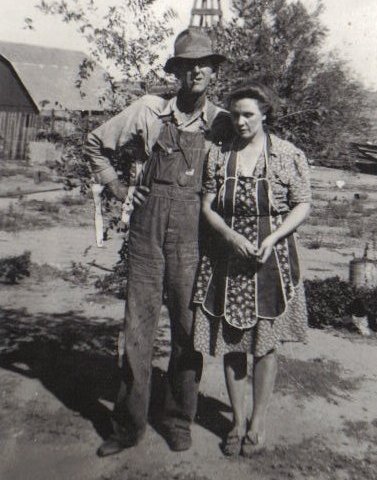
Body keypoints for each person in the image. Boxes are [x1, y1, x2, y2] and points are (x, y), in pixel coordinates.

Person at [84, 29, 231, 456]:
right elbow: (95, 143)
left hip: (194, 236)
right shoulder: (150, 111)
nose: (196, 72)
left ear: (213, 72)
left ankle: (179, 418)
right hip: (148, 232)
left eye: (204, 64)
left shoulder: (222, 122)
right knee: (138, 329)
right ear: (178, 72)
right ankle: (128, 426)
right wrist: (116, 188)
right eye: (188, 65)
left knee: (188, 331)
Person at [193, 81, 311, 457]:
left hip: (269, 259)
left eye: (249, 114)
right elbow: (207, 206)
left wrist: (274, 237)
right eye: (236, 114)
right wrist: (229, 237)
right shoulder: (218, 154)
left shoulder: (287, 155)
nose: (241, 122)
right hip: (227, 257)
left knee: (264, 344)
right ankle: (236, 421)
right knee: (232, 343)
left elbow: (302, 204)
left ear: (264, 115)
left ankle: (258, 422)